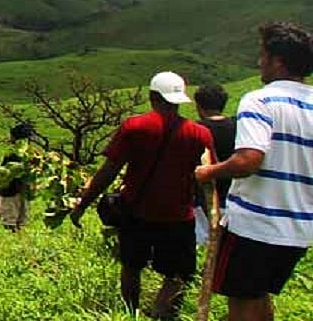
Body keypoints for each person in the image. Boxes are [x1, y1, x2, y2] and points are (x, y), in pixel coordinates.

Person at [70, 71, 214, 320]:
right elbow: (205, 178)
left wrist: (83, 204)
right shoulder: (199, 134)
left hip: (137, 212)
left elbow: (109, 170)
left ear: (151, 96)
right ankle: (162, 313)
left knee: (131, 266)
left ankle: (131, 313)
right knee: (179, 273)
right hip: (179, 215)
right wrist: (212, 215)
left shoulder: (135, 127)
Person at [195, 21, 313, 321]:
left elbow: (248, 160)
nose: (258, 62)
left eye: (262, 55)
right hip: (298, 231)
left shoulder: (259, 100)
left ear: (277, 61)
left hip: (256, 225)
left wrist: (208, 172)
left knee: (243, 303)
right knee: (259, 296)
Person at [193, 83, 236, 245]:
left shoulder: (196, 129)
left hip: (202, 200)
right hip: (233, 197)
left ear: (199, 105)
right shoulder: (236, 126)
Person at [0, 123, 33, 231]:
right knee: (21, 222)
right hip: (24, 191)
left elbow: (5, 174)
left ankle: (14, 244)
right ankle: (21, 244)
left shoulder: (12, 154)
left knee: (9, 222)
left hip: (10, 191)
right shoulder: (31, 154)